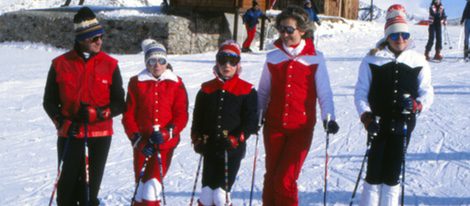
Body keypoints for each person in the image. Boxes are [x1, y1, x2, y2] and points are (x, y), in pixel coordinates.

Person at [43, 7, 125, 205]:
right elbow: (49, 101)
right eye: (93, 38)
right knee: (66, 189)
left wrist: (98, 113)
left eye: (100, 36)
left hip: (99, 136)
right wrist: (61, 123)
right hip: (70, 135)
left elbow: (120, 103)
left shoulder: (110, 64)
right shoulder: (60, 64)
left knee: (89, 191)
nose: (99, 41)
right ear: (81, 39)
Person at [257, 6, 339, 206]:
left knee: (285, 179)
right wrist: (257, 116)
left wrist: (329, 117)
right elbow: (263, 92)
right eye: (282, 30)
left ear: (302, 30)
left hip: (300, 128)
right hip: (274, 126)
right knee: (271, 176)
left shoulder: (315, 58)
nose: (285, 34)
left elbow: (324, 92)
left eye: (290, 30)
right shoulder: (273, 57)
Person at [354, 5, 434, 206]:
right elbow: (361, 92)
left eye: (404, 35)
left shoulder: (417, 60)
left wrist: (417, 105)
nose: (400, 40)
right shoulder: (372, 59)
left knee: (392, 173)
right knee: (374, 172)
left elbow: (427, 91)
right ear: (387, 36)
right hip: (377, 123)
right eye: (395, 35)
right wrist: (366, 116)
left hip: (404, 123)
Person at [191, 40, 258, 206]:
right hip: (210, 147)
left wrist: (237, 138)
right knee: (206, 195)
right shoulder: (206, 90)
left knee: (220, 195)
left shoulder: (247, 90)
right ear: (217, 62)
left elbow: (251, 122)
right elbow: (197, 118)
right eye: (222, 60)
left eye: (232, 61)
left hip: (232, 149)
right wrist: (197, 138)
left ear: (238, 64)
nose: (227, 65)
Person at [122, 39, 189, 205]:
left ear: (166, 62)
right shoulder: (136, 83)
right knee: (140, 188)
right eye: (152, 61)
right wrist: (138, 140)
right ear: (146, 62)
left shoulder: (176, 83)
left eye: (162, 61)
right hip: (143, 146)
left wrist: (168, 132)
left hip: (165, 146)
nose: (157, 65)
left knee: (151, 189)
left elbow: (182, 114)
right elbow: (128, 115)